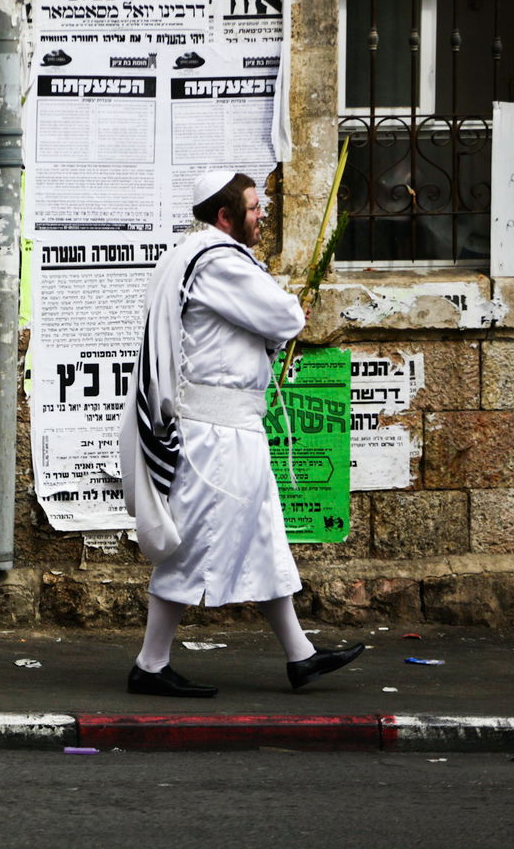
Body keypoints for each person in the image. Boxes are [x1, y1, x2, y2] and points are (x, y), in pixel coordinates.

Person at [118, 170, 364, 697]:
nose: (262, 215)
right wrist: (294, 308)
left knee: (263, 536)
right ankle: (151, 664)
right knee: (191, 545)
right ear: (225, 216)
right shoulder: (220, 262)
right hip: (217, 432)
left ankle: (301, 656)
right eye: (254, 208)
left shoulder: (193, 256)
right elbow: (284, 316)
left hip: (231, 427)